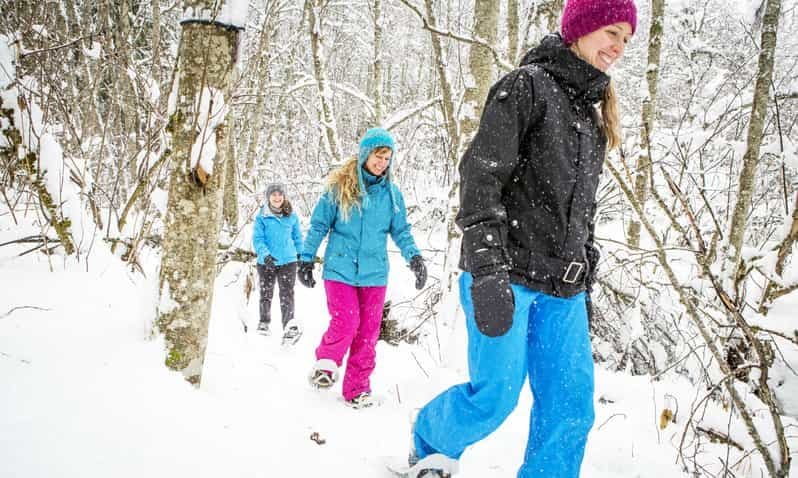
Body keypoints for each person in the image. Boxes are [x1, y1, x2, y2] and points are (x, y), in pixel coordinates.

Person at [406, 0, 636, 476]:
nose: (617, 47)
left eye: (626, 40)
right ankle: (431, 440)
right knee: (495, 396)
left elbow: (580, 209)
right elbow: (481, 179)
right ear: (582, 26)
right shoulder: (526, 88)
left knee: (571, 408)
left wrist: (585, 270)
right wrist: (488, 270)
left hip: (563, 290)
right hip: (506, 274)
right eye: (611, 31)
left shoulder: (593, 118)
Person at [298, 127, 427, 409]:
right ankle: (326, 364)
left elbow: (401, 231)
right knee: (347, 321)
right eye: (378, 156)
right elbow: (320, 224)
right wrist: (306, 258)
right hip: (340, 269)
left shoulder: (392, 195)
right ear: (365, 155)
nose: (382, 163)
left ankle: (356, 389)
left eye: (387, 158)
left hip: (375, 273)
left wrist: (414, 258)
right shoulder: (340, 188)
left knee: (368, 332)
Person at [252, 182, 303, 344]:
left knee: (287, 294)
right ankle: (264, 322)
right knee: (266, 293)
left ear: (284, 196)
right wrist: (265, 255)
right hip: (267, 262)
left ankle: (288, 326)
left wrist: (301, 254)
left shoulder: (292, 216)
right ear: (268, 197)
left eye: (280, 194)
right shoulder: (262, 216)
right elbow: (258, 239)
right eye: (273, 194)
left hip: (288, 261)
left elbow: (297, 237)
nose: (277, 197)